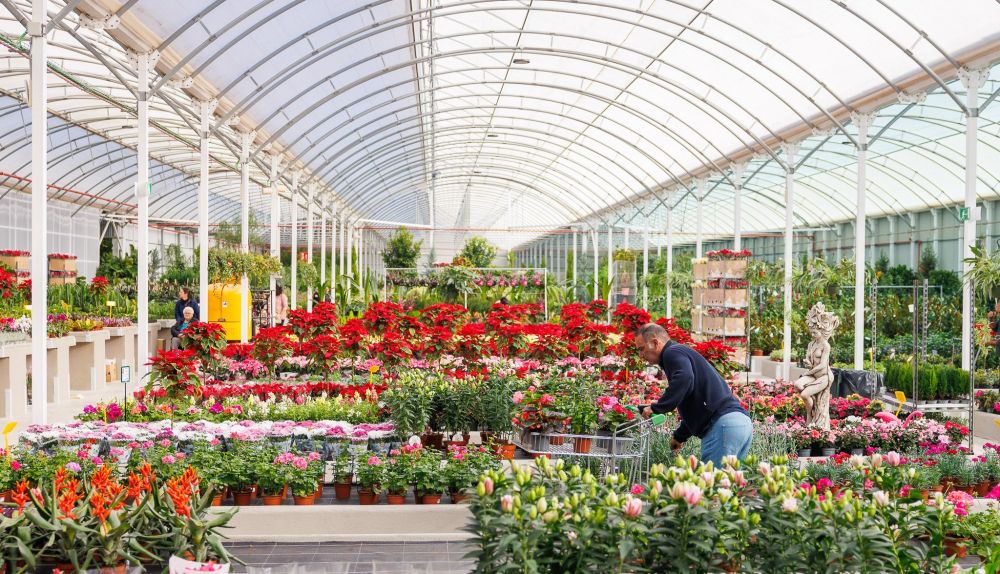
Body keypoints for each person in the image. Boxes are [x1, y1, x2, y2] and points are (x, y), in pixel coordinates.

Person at [634, 323, 753, 466]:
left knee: (713, 485)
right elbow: (695, 402)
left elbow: (684, 378)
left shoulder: (671, 353)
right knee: (730, 484)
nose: (641, 355)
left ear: (655, 342)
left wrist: (657, 408)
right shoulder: (680, 353)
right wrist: (680, 436)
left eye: (642, 349)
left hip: (723, 426)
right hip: (740, 424)